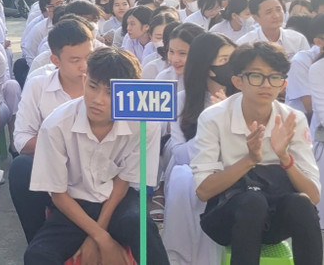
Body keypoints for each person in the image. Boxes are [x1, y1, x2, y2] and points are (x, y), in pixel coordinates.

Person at [23, 47, 168, 265]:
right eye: (92, 87)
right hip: (74, 204)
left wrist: (96, 237)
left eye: (110, 92)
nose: (98, 100)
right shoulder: (56, 125)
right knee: (38, 255)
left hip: (117, 200)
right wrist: (103, 239)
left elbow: (124, 180)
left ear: (128, 93)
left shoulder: (144, 125)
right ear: (84, 80)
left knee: (141, 227)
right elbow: (58, 194)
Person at [191, 42, 321, 265]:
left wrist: (285, 159)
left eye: (274, 77)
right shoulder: (214, 118)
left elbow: (313, 196)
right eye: (256, 76)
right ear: (237, 81)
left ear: (283, 84)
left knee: (301, 203)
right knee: (252, 201)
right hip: (227, 217)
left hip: (274, 216)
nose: (266, 84)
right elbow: (203, 191)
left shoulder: (292, 120)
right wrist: (250, 159)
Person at [10, 19, 93, 241]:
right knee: (21, 168)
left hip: (96, 169)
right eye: (75, 60)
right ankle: (37, 239)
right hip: (53, 168)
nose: (84, 66)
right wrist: (61, 141)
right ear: (55, 60)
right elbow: (21, 140)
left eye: (88, 56)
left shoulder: (104, 84)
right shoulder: (38, 85)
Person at [161, 32, 235, 265]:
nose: (231, 66)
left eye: (233, 59)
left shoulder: (243, 99)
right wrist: (211, 122)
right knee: (183, 177)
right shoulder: (183, 100)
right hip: (194, 171)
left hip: (235, 170)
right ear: (207, 67)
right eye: (224, 60)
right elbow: (180, 154)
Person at [238, 0, 309, 58]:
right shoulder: (245, 44)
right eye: (269, 12)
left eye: (278, 9)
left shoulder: (298, 39)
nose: (276, 16)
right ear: (256, 18)